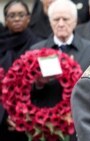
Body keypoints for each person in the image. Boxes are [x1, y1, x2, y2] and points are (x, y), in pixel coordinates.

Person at [30, 0, 90, 140]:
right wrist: (38, 83)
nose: (61, 24)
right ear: (50, 22)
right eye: (56, 19)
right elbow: (26, 92)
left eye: (65, 19)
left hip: (80, 124)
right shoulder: (36, 50)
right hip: (47, 125)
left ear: (74, 21)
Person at [0, 1, 41, 140]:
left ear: (28, 18)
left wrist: (23, 115)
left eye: (21, 15)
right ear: (5, 20)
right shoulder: (1, 45)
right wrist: (6, 114)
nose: (17, 19)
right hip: (2, 118)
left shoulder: (39, 45)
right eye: (12, 15)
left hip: (32, 117)